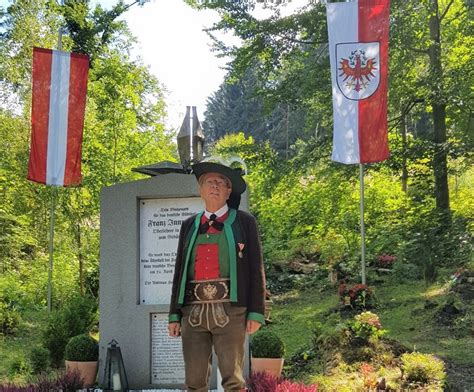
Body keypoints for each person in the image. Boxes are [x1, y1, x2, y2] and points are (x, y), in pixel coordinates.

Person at [168, 161, 266, 392]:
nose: (214, 186)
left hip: (232, 311)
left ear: (229, 191)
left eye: (221, 183)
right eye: (209, 182)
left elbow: (256, 269)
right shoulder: (188, 225)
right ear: (200, 189)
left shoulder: (245, 221)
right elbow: (179, 270)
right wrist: (174, 314)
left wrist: (256, 312)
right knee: (194, 381)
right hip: (192, 312)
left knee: (233, 379)